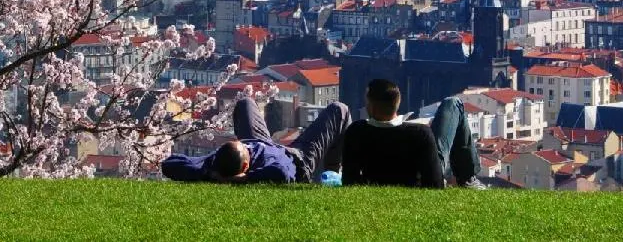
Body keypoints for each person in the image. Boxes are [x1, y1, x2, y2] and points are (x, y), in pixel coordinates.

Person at [161, 96, 350, 184]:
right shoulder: (272, 164)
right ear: (245, 167)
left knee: (246, 103)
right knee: (339, 110)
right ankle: (333, 175)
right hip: (298, 158)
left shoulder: (210, 164)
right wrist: (243, 180)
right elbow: (282, 173)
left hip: (259, 142)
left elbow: (169, 164)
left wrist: (210, 174)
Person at [341, 79, 484, 189]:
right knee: (453, 103)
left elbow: (349, 180)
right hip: (423, 173)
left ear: (370, 106)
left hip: (377, 177)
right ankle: (467, 178)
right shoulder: (419, 133)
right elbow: (435, 184)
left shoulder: (356, 131)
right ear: (398, 102)